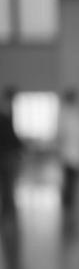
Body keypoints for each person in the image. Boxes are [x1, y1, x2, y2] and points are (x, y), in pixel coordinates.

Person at [57, 88, 79, 213]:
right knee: (69, 178)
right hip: (68, 153)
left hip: (75, 153)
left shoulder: (77, 113)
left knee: (72, 179)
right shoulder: (66, 114)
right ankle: (67, 201)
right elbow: (62, 134)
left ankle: (69, 201)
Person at [0, 87, 22, 223]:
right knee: (8, 184)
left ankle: (8, 211)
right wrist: (19, 146)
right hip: (7, 155)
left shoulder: (7, 113)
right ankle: (8, 212)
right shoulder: (5, 114)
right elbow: (9, 136)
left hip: (7, 154)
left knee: (7, 184)